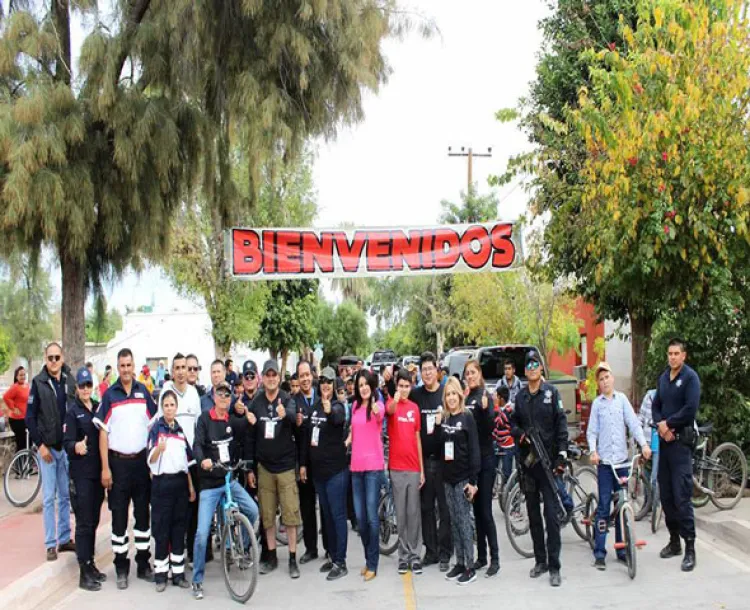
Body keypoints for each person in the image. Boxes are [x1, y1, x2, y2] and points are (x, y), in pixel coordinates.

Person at [95, 348, 158, 589]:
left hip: (141, 465)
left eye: (129, 365)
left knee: (143, 516)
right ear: (117, 367)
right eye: (122, 366)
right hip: (118, 465)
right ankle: (121, 567)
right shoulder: (110, 396)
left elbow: (154, 427)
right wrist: (105, 468)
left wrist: (153, 463)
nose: (126, 370)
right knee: (119, 518)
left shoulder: (145, 393)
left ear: (134, 366)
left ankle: (143, 564)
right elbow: (103, 432)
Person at [191, 381, 259, 600]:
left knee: (252, 510)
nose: (224, 398)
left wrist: (250, 420)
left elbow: (245, 434)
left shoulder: (231, 420)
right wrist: (203, 461)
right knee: (202, 534)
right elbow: (197, 445)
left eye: (227, 395)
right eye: (220, 394)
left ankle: (236, 548)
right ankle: (197, 580)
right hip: (210, 485)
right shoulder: (204, 419)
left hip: (229, 479)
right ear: (213, 396)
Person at [389, 352, 452, 571]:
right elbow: (394, 399)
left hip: (444, 460)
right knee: (423, 509)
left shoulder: (446, 394)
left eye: (430, 369)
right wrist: (390, 379)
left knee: (444, 509)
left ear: (437, 371)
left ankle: (445, 554)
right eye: (424, 369)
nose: (427, 373)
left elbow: (458, 412)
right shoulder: (415, 395)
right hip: (421, 460)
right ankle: (430, 552)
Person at [510, 350, 568, 587]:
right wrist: (521, 435)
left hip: (549, 464)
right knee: (533, 515)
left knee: (551, 516)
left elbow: (561, 424)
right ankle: (540, 561)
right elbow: (512, 423)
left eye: (536, 364)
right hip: (529, 465)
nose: (532, 367)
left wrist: (562, 455)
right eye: (529, 365)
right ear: (525, 371)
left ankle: (554, 566)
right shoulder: (521, 397)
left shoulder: (551, 394)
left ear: (542, 368)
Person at [587, 362, 652, 570]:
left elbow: (633, 424)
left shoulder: (621, 400)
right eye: (601, 379)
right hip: (606, 465)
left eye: (607, 377)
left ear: (612, 378)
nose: (605, 381)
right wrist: (593, 451)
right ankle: (599, 552)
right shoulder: (597, 404)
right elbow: (592, 432)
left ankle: (622, 549)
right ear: (598, 383)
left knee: (622, 504)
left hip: (622, 463)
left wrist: (644, 445)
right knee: (605, 507)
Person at [246, 360, 301, 579]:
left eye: (274, 375)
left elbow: (293, 416)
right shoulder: (256, 403)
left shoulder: (287, 399)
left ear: (278, 378)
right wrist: (250, 468)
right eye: (267, 375)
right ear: (263, 378)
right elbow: (250, 437)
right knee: (267, 516)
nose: (270, 379)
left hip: (286, 467)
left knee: (290, 515)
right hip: (264, 468)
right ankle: (270, 556)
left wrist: (283, 414)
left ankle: (293, 558)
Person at [652, 338, 701, 572]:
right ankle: (674, 542)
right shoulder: (664, 378)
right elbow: (655, 405)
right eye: (669, 353)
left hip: (681, 445)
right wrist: (660, 425)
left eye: (676, 353)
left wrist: (669, 424)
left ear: (684, 356)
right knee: (667, 497)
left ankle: (689, 547)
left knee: (682, 497)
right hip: (665, 445)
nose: (672, 357)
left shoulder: (690, 378)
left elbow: (690, 408)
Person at [26, 342, 76, 561]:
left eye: (57, 357)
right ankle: (50, 543)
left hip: (65, 449)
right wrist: (40, 445)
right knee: (48, 498)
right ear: (45, 359)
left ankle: (64, 538)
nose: (54, 361)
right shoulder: (38, 383)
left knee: (65, 496)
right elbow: (29, 417)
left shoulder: (69, 381)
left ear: (62, 358)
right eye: (50, 358)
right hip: (47, 450)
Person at [301, 367, 349, 580]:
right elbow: (307, 438)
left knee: (338, 517)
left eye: (329, 381)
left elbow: (338, 419)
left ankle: (341, 561)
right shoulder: (315, 408)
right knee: (327, 517)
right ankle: (331, 555)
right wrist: (303, 464)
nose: (326, 385)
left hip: (335, 472)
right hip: (318, 474)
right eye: (323, 381)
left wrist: (330, 410)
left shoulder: (337, 406)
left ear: (334, 384)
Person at [435, 377, 480, 586]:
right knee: (453, 521)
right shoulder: (444, 419)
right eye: (448, 394)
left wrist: (473, 481)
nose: (451, 398)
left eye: (454, 394)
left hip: (463, 479)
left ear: (460, 396)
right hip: (448, 479)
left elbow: (474, 451)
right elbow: (438, 449)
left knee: (464, 522)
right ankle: (460, 562)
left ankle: (470, 566)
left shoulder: (467, 417)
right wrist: (436, 427)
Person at [148, 389, 196, 591]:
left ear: (177, 408)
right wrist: (158, 449)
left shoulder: (180, 430)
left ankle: (178, 573)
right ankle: (160, 575)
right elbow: (150, 460)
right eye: (166, 405)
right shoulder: (155, 429)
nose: (169, 408)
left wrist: (191, 486)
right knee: (162, 529)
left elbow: (187, 462)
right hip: (162, 485)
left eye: (172, 405)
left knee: (178, 529)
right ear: (162, 407)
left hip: (180, 485)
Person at [158, 354, 202, 568]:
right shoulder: (166, 393)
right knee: (172, 513)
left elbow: (198, 426)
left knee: (192, 510)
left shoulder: (194, 393)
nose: (182, 371)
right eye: (178, 368)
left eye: (185, 367)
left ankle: (191, 554)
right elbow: (159, 427)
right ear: (172, 370)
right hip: (170, 464)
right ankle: (171, 555)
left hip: (191, 462)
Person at [64, 366, 105, 591]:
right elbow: (66, 442)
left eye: (89, 385)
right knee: (84, 523)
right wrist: (76, 446)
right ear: (77, 388)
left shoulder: (98, 408)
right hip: (81, 475)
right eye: (82, 386)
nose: (86, 389)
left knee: (94, 521)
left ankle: (91, 564)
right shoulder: (72, 412)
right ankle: (83, 571)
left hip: (98, 474)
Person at [346, 369, 384, 581]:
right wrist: (347, 440)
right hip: (356, 468)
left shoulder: (378, 405)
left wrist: (378, 408)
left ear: (371, 384)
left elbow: (380, 416)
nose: (363, 388)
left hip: (373, 468)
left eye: (365, 383)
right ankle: (368, 558)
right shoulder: (354, 406)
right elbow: (355, 430)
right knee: (360, 519)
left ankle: (373, 563)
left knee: (371, 517)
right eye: (359, 385)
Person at [463, 360, 500, 577]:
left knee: (485, 512)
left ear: (480, 374)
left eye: (473, 372)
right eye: (467, 373)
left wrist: (487, 411)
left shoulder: (486, 397)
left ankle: (495, 559)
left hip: (486, 460)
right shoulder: (468, 397)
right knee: (476, 512)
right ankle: (482, 557)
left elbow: (489, 428)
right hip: (471, 463)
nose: (470, 376)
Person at [385, 369, 424, 575]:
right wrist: (394, 397)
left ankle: (415, 556)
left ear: (411, 387)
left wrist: (422, 469)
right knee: (400, 515)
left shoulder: (415, 408)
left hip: (413, 467)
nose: (404, 389)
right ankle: (403, 556)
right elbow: (389, 410)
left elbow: (417, 439)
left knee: (413, 514)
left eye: (407, 386)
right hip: (397, 468)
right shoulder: (391, 403)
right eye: (400, 385)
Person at [294, 360, 323, 565]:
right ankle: (311, 548)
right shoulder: (292, 402)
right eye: (301, 375)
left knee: (328, 507)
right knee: (307, 507)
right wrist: (301, 464)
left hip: (323, 461)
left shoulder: (322, 397)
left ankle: (330, 549)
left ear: (312, 376)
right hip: (304, 462)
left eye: (307, 375)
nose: (305, 379)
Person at [3, 366, 30, 452]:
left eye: (24, 375)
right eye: (20, 375)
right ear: (16, 376)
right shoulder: (15, 387)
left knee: (29, 442)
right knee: (21, 444)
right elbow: (6, 397)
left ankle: (27, 463)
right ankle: (19, 464)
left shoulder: (27, 386)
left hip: (25, 419)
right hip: (16, 420)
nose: (23, 377)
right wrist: (13, 408)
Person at [493, 386, 516, 483]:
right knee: (493, 469)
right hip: (498, 442)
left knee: (507, 472)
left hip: (508, 444)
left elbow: (499, 422)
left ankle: (509, 492)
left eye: (496, 397)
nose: (494, 399)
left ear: (501, 399)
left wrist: (496, 407)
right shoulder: (500, 409)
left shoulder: (509, 409)